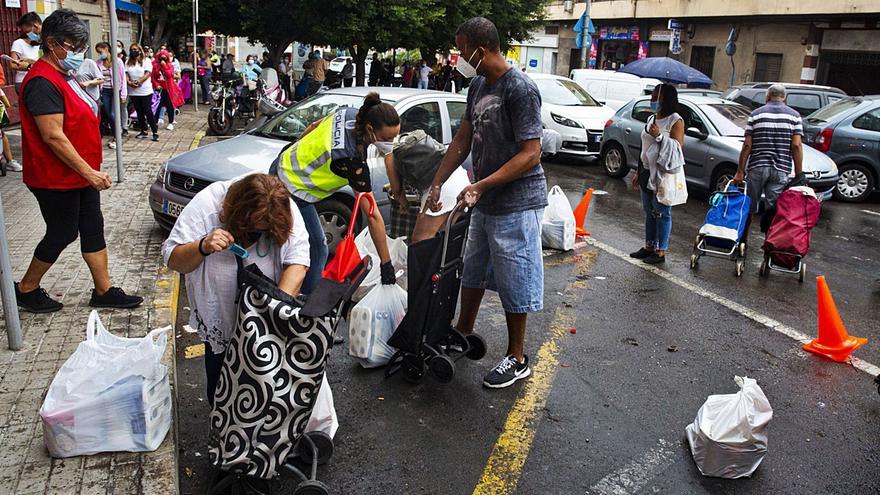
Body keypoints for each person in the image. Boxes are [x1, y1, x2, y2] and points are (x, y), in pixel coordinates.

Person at [428, 17, 546, 389]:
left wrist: (482, 184)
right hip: (484, 199)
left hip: (517, 201)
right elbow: (463, 138)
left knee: (515, 279)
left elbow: (531, 153)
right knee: (473, 269)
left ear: (480, 50)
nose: (458, 57)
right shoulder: (478, 84)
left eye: (461, 50)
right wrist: (438, 181)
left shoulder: (520, 89)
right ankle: (463, 330)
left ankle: (517, 356)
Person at [14, 9, 143, 313]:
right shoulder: (42, 82)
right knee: (63, 232)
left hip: (80, 174)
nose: (77, 52)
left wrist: (90, 172)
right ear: (51, 43)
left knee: (93, 226)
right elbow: (53, 136)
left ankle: (104, 289)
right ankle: (26, 288)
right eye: (72, 46)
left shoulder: (64, 74)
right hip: (55, 176)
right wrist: (90, 172)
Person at [163, 173, 310, 403]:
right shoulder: (207, 205)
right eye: (252, 229)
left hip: (264, 317)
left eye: (262, 232)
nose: (255, 237)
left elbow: (298, 263)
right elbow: (173, 259)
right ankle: (223, 432)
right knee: (222, 387)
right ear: (235, 214)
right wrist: (202, 246)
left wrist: (275, 314)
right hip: (221, 320)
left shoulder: (283, 208)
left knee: (265, 390)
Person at [271, 92, 399, 295]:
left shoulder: (349, 114)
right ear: (370, 130)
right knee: (318, 248)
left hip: (282, 163)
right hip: (292, 188)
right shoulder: (352, 160)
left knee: (288, 242)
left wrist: (297, 146)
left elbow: (314, 126)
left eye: (395, 137)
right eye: (387, 138)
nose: (390, 142)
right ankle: (304, 301)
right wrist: (386, 263)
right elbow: (373, 215)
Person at [734, 83, 804, 244]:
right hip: (781, 168)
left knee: (750, 205)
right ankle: (770, 242)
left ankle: (743, 239)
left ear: (767, 96)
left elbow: (747, 145)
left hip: (757, 167)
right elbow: (796, 145)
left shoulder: (756, 114)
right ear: (784, 98)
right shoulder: (794, 116)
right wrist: (799, 174)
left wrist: (740, 171)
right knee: (773, 208)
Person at [628, 84, 684, 265]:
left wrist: (660, 136)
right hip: (646, 171)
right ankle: (649, 246)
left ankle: (661, 251)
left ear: (665, 99)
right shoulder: (651, 118)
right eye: (652, 97)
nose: (652, 101)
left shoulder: (675, 120)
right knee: (648, 211)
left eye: (656, 97)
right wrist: (638, 171)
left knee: (662, 212)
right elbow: (644, 146)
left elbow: (677, 149)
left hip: (663, 174)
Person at [93, 42, 127, 149]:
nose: (100, 54)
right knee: (108, 114)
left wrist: (123, 94)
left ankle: (117, 136)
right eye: (98, 52)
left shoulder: (118, 62)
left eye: (100, 51)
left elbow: (123, 79)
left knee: (113, 114)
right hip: (105, 91)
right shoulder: (98, 63)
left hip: (116, 90)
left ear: (107, 49)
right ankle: (115, 134)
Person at [126, 43, 158, 141]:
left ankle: (154, 131)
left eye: (135, 49)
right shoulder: (128, 62)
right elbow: (126, 73)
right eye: (132, 49)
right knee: (139, 111)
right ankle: (143, 130)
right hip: (133, 90)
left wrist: (139, 81)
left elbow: (148, 73)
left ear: (140, 51)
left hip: (145, 90)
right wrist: (129, 82)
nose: (133, 51)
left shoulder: (146, 61)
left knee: (147, 110)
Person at [10, 12, 42, 95]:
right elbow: (13, 65)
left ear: (36, 26)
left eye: (29, 31)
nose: (29, 34)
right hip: (23, 81)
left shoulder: (42, 43)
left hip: (39, 80)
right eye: (26, 32)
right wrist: (28, 65)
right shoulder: (18, 43)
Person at [152, 49, 183, 131]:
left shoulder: (170, 66)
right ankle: (155, 122)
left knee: (170, 106)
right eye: (161, 57)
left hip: (168, 89)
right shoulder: (155, 66)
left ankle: (170, 122)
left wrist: (164, 66)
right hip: (159, 89)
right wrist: (156, 85)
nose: (163, 59)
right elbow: (153, 77)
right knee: (157, 106)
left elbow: (170, 75)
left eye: (165, 57)